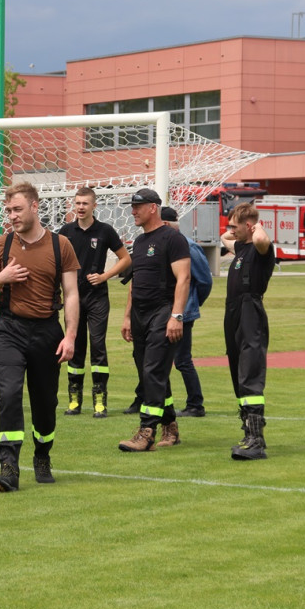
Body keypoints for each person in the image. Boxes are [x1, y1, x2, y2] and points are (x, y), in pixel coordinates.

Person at [0, 182, 80, 492]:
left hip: (47, 330)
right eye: (8, 211)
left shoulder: (61, 245)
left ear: (35, 207)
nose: (12, 216)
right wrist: (1, 277)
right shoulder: (1, 245)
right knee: (7, 396)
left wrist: (71, 335)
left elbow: (72, 294)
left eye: (17, 209)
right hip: (9, 328)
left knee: (45, 404)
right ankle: (8, 467)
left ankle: (42, 454)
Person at [118, 189, 190, 452]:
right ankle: (170, 425)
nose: (133, 211)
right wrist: (127, 316)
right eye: (132, 206)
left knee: (152, 371)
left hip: (163, 312)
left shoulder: (173, 238)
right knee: (150, 373)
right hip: (139, 314)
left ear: (153, 208)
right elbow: (134, 282)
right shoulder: (138, 242)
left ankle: (145, 432)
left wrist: (176, 316)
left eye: (138, 206)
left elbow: (184, 279)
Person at [57, 186, 131, 418]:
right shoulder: (65, 231)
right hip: (73, 298)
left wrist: (105, 276)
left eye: (84, 204)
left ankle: (100, 400)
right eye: (77, 203)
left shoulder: (105, 230)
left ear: (94, 206)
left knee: (98, 347)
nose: (80, 207)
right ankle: (74, 400)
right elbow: (56, 263)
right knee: (75, 347)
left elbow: (126, 259)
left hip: (97, 297)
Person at [224, 202, 275, 460]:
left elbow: (263, 239)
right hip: (233, 313)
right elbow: (224, 238)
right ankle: (247, 431)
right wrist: (236, 230)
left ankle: (257, 440)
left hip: (250, 312)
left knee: (250, 372)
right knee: (237, 372)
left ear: (248, 226)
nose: (228, 230)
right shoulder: (241, 247)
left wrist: (257, 227)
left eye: (234, 226)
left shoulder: (260, 248)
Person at [161, 205, 213, 417]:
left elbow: (204, 280)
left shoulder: (188, 247)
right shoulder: (169, 245)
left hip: (182, 313)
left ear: (165, 224)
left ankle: (196, 404)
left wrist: (191, 305)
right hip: (168, 311)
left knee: (182, 360)